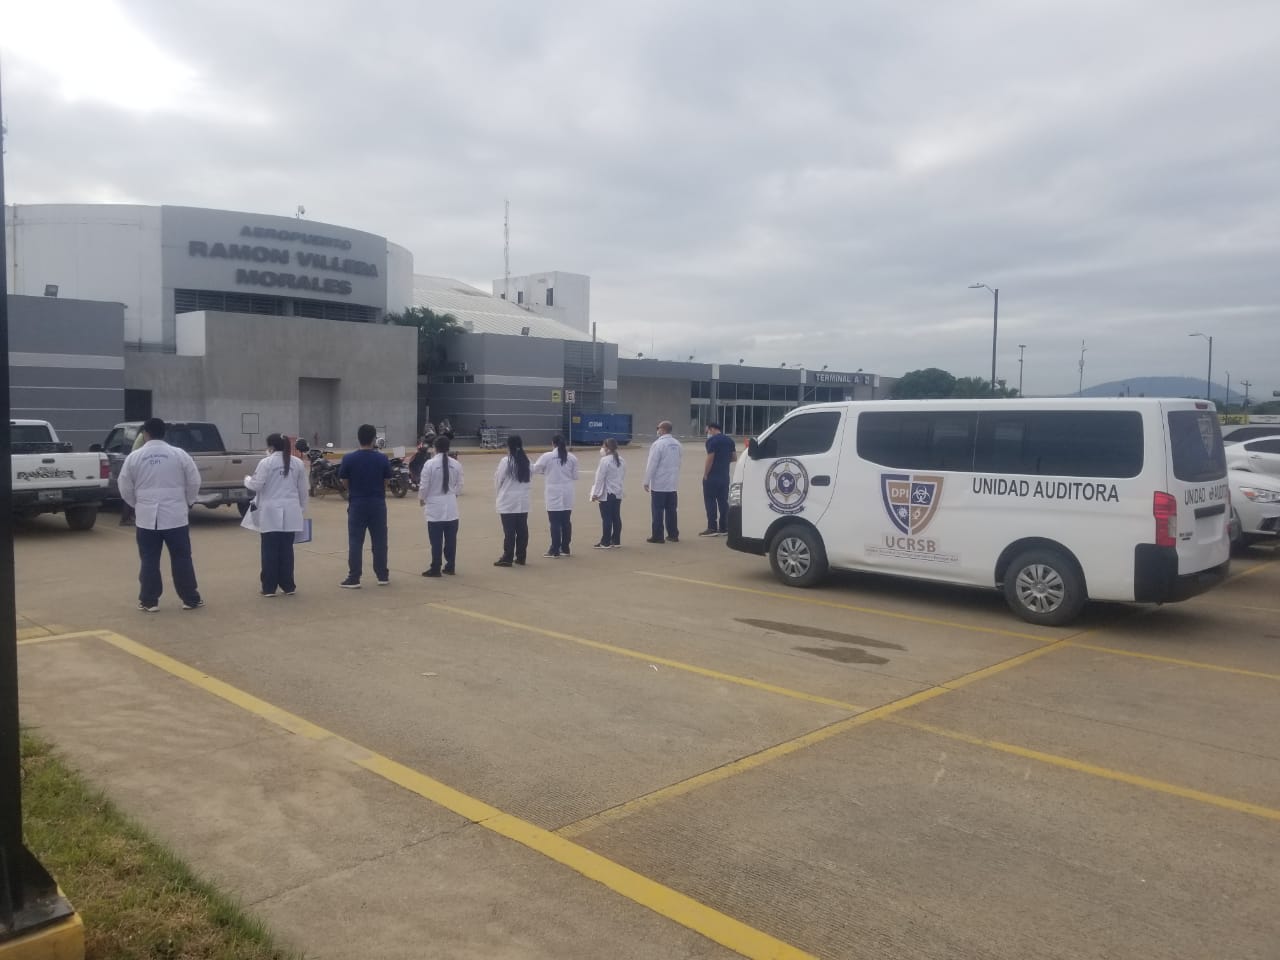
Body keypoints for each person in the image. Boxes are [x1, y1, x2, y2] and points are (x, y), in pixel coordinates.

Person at [117, 417, 203, 612]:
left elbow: (125, 486)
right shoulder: (179, 454)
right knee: (182, 557)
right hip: (175, 516)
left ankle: (149, 601)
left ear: (145, 434)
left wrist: (137, 504)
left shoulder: (135, 457)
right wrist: (188, 501)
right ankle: (190, 599)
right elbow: (194, 482)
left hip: (147, 518)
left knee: (149, 559)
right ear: (165, 433)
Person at [245, 433, 309, 596]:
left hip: (270, 511)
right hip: (291, 510)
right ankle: (288, 586)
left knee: (269, 550)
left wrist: (246, 480)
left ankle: (269, 587)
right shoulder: (298, 463)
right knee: (286, 550)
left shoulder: (266, 462)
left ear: (271, 447)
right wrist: (301, 509)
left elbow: (256, 485)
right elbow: (303, 490)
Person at [337, 423, 392, 588]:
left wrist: (355, 490)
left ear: (358, 438)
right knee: (380, 541)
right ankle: (382, 575)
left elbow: (344, 481)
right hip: (377, 503)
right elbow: (387, 482)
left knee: (355, 541)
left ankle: (354, 577)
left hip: (357, 503)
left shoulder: (349, 458)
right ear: (374, 439)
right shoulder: (382, 458)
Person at [419, 436, 464, 577]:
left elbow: (424, 485)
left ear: (435, 448)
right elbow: (460, 484)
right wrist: (453, 495)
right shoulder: (456, 464)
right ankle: (450, 566)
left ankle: (436, 567)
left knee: (436, 540)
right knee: (451, 540)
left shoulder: (430, 464)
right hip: (451, 506)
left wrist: (422, 498)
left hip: (434, 507)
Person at [532, 434, 579, 558]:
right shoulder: (572, 457)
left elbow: (535, 469)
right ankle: (565, 548)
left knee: (554, 522)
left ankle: (554, 549)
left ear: (553, 443)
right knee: (566, 521)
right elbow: (575, 476)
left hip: (553, 490)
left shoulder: (547, 456)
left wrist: (546, 471)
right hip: (567, 491)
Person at [493, 435, 532, 567]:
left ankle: (507, 557)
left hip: (508, 500)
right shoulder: (527, 461)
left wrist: (499, 493)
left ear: (508, 446)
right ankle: (521, 556)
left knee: (509, 531)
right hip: (522, 501)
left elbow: (499, 479)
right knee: (522, 529)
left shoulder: (507, 461)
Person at [644, 420, 683, 543]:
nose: (657, 430)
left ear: (663, 429)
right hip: (672, 484)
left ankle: (658, 535)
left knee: (657, 510)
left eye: (658, 428)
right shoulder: (677, 444)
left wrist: (646, 481)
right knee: (672, 510)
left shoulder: (658, 444)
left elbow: (652, 464)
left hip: (659, 484)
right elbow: (679, 462)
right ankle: (673, 534)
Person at [700, 422, 737, 536]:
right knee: (723, 501)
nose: (708, 433)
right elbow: (734, 457)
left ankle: (712, 527)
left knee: (710, 500)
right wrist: (723, 462)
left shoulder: (712, 441)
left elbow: (710, 458)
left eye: (707, 431)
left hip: (713, 476)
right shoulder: (729, 440)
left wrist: (706, 474)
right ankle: (724, 527)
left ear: (711, 429)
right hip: (724, 476)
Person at [590, 438, 625, 548]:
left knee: (607, 518)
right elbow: (622, 476)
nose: (602, 448)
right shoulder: (622, 460)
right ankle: (616, 540)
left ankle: (605, 542)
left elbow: (600, 478)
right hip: (618, 492)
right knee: (616, 517)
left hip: (607, 493)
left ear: (608, 448)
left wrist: (595, 493)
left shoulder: (605, 461)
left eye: (603, 446)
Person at [118, 427, 148, 526]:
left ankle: (128, 517)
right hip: (137, 466)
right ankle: (125, 519)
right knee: (132, 494)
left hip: (135, 465)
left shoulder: (141, 436)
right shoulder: (143, 437)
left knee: (131, 493)